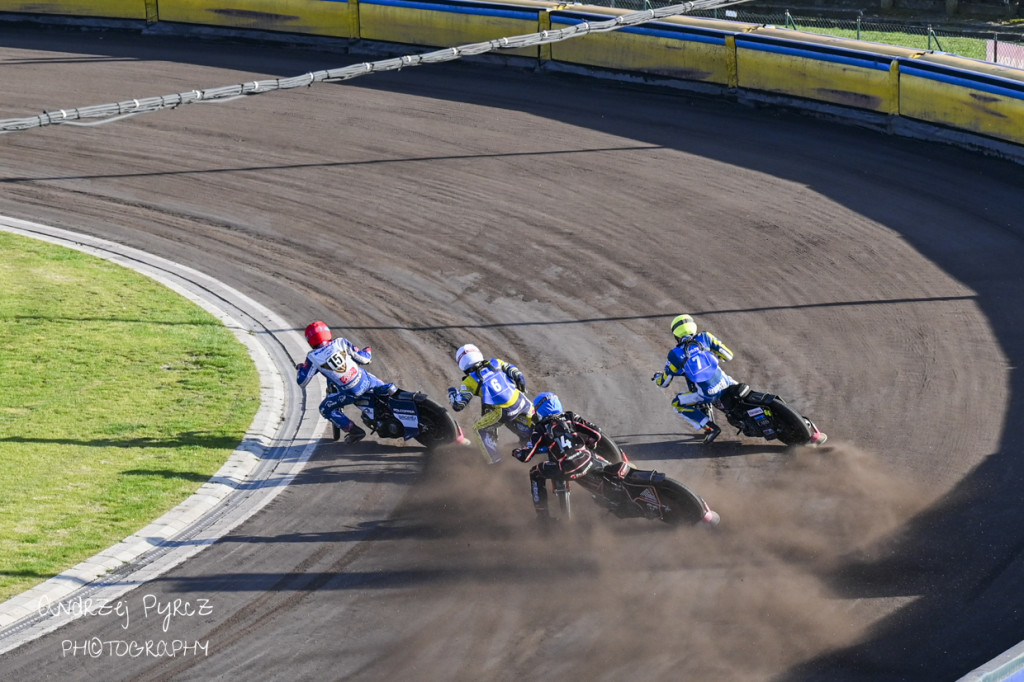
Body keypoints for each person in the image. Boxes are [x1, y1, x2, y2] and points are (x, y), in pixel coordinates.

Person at [511, 392, 622, 521]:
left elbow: (526, 456)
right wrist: (592, 442)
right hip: (588, 460)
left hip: (565, 467)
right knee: (611, 469)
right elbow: (597, 433)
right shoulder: (570, 417)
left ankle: (543, 517)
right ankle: (618, 495)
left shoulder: (540, 428)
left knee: (535, 473)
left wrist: (516, 452)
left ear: (540, 410)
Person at [296, 320, 396, 445]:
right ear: (328, 333)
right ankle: (393, 399)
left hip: (351, 392)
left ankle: (355, 431)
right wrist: (367, 351)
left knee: (324, 409)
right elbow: (364, 359)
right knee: (385, 388)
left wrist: (300, 368)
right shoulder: (340, 342)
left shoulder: (312, 357)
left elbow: (302, 382)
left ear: (310, 341)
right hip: (367, 380)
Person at [651, 313, 737, 444]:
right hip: (727, 383)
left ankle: (711, 427)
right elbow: (728, 356)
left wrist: (657, 378)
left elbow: (664, 382)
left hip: (708, 394)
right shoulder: (705, 337)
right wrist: (713, 356)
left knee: (677, 404)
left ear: (676, 335)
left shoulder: (675, 354)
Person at [448, 343, 532, 464]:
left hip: (503, 411)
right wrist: (520, 384)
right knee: (538, 422)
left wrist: (452, 393)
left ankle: (495, 460)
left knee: (478, 428)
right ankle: (533, 439)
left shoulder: (469, 381)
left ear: (462, 363)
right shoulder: (496, 362)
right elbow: (517, 374)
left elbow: (458, 405)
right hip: (522, 402)